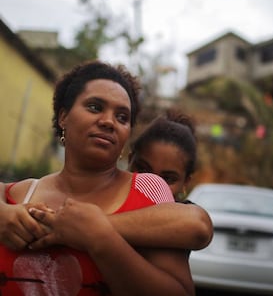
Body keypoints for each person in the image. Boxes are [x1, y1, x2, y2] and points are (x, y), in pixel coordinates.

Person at [0, 60, 203, 295]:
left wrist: (99, 236)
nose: (108, 122)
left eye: (122, 117)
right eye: (95, 107)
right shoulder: (20, 194)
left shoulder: (148, 188)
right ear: (63, 116)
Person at [128, 109, 197, 202]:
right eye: (143, 170)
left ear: (185, 182)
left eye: (167, 179)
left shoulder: (192, 215)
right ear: (130, 160)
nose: (151, 187)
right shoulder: (105, 201)